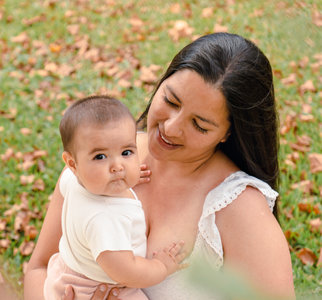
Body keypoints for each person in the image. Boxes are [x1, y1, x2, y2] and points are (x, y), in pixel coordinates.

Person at [24, 32, 295, 300]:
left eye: (199, 125)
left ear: (227, 133)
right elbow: (39, 267)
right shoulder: (96, 160)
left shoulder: (239, 209)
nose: (171, 128)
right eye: (170, 101)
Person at [43, 95, 185, 300]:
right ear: (73, 163)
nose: (118, 166)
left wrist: (120, 182)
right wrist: (161, 265)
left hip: (64, 275)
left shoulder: (72, 179)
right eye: (100, 157)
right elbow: (127, 272)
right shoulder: (105, 218)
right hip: (97, 289)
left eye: (126, 152)